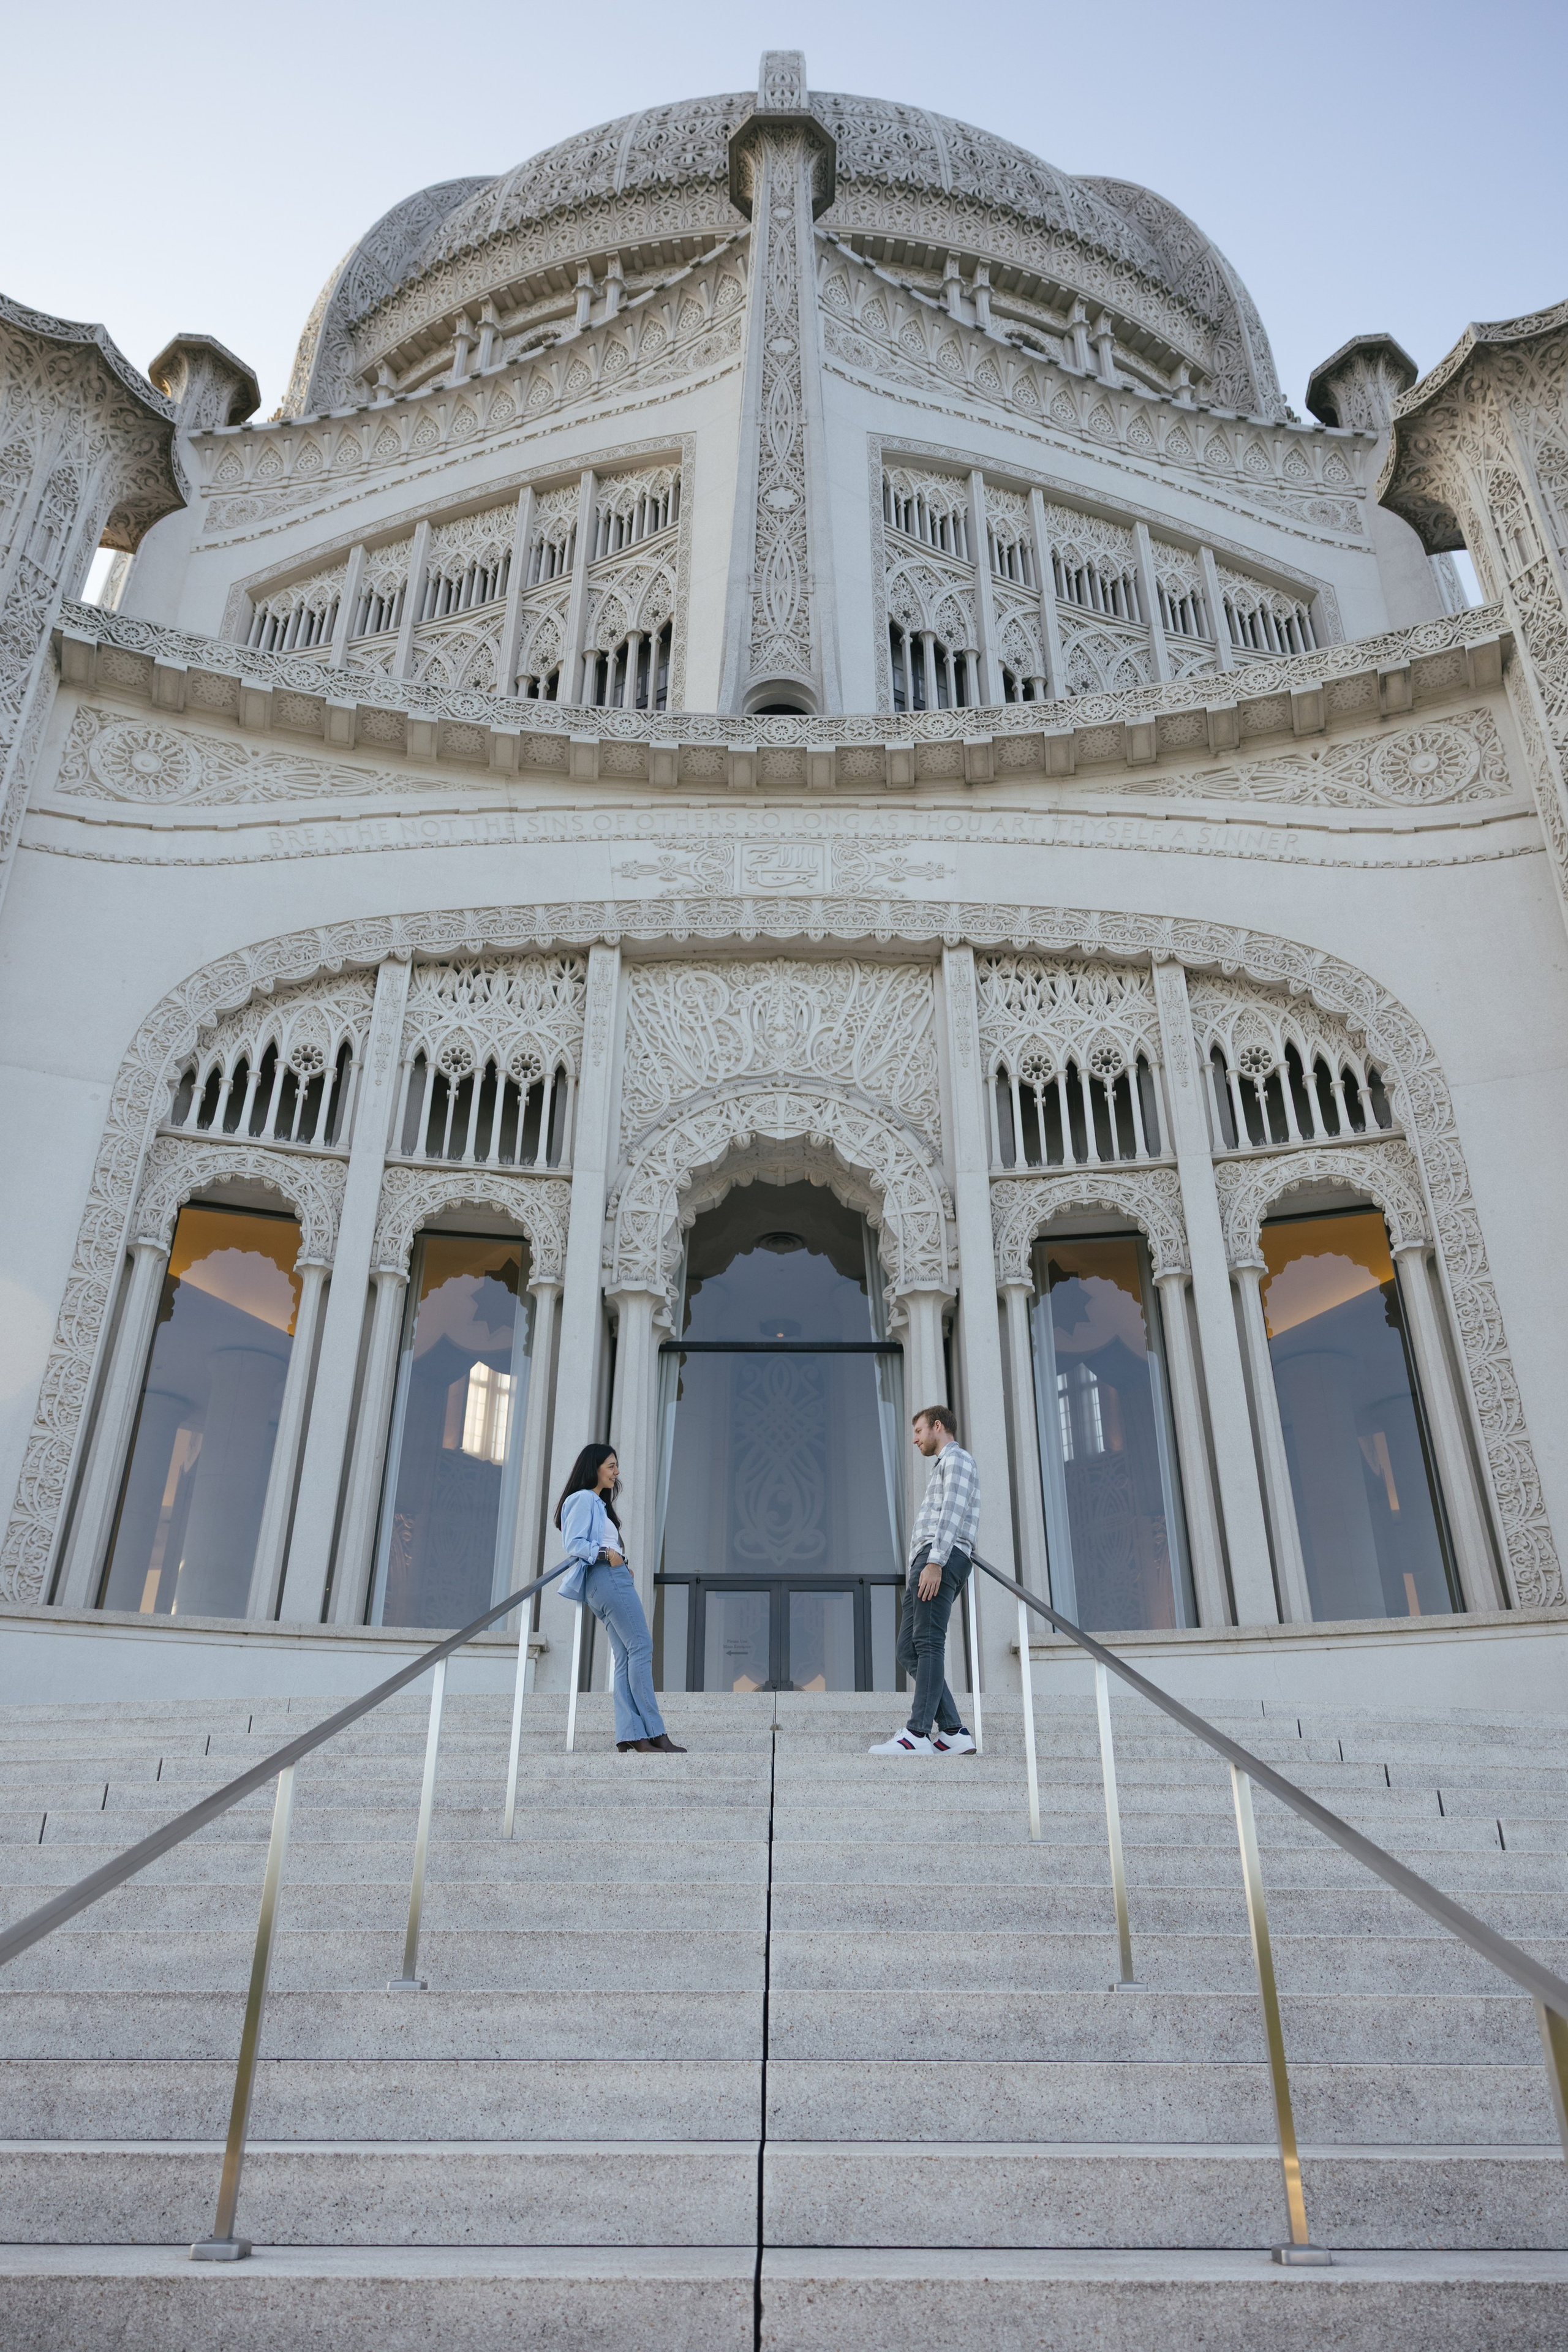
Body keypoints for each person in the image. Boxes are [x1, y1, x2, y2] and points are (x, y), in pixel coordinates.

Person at [555, 1443, 684, 1754]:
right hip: (605, 1579)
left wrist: (622, 1562)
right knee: (641, 1647)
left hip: (609, 1580)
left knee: (626, 1657)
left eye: (617, 1466)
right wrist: (608, 1555)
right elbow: (574, 1544)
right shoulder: (583, 1498)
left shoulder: (597, 1504)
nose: (617, 1472)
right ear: (594, 1467)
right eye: (611, 1466)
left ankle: (632, 1735)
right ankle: (656, 1732)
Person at [870, 1404, 979, 1757]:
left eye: (918, 1431)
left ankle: (918, 1734)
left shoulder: (957, 1460)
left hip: (940, 1558)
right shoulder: (943, 1466)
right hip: (929, 1558)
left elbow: (952, 1511)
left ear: (936, 1427)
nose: (914, 1439)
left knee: (929, 1641)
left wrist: (935, 1562)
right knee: (907, 1649)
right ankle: (952, 1732)